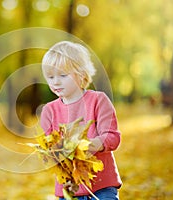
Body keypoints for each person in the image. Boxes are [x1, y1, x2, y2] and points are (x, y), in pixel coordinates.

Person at [40, 41, 122, 200]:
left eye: (63, 75)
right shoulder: (49, 111)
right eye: (50, 77)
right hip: (68, 189)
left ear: (82, 74)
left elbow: (113, 137)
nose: (55, 81)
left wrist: (94, 144)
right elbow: (50, 151)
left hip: (102, 186)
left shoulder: (98, 101)